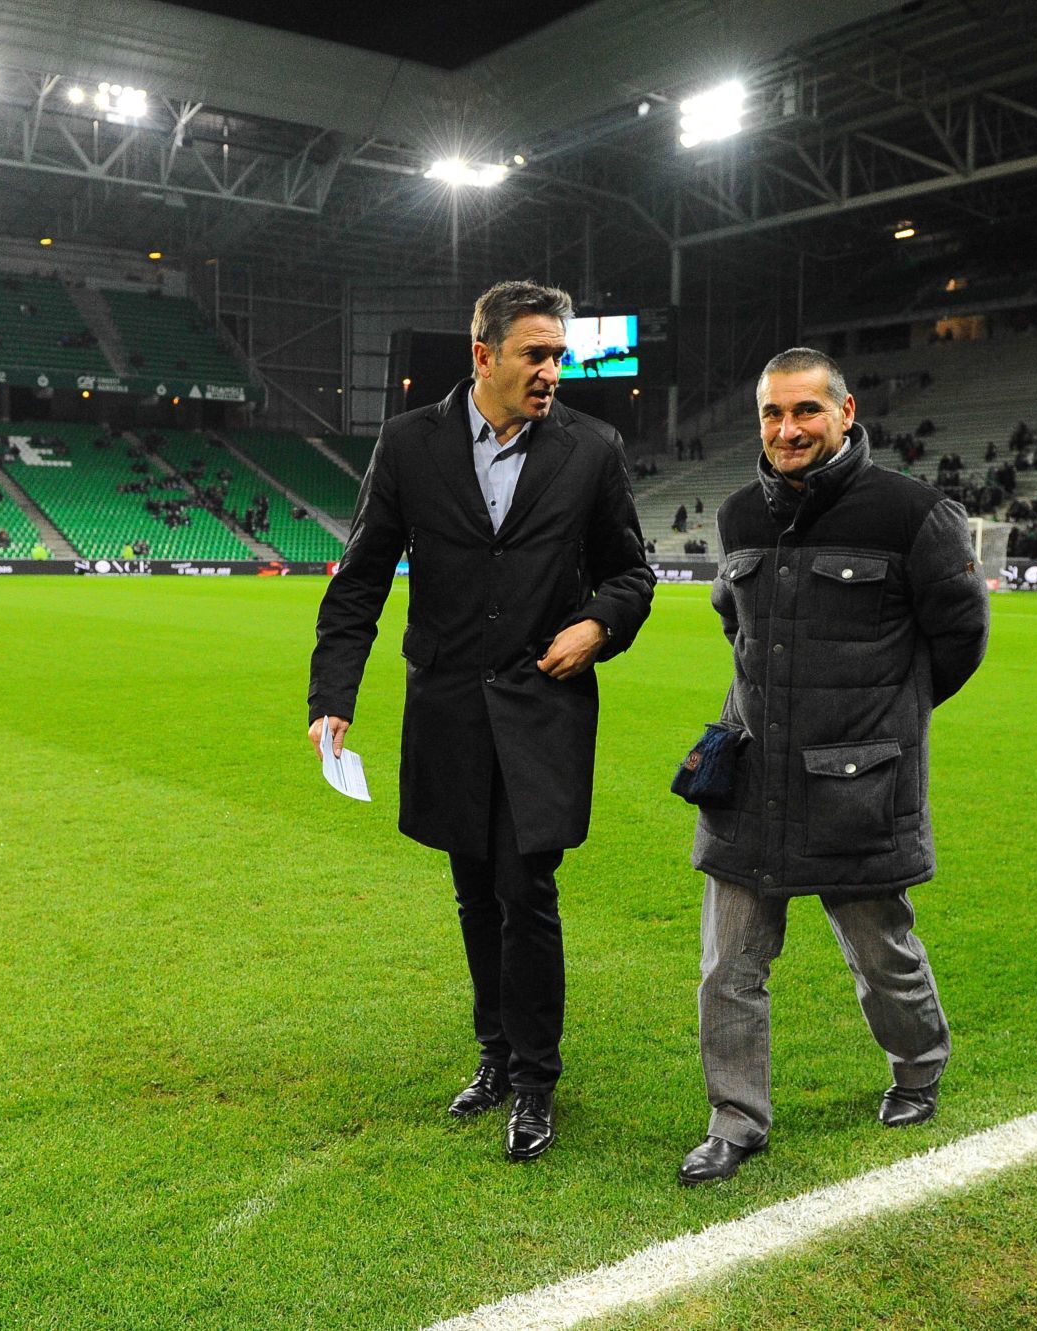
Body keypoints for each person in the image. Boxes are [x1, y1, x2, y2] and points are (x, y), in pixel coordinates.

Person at [307, 280, 655, 1163]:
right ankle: (495, 1053)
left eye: (558, 354)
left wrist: (599, 625)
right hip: (450, 707)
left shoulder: (593, 448)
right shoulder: (408, 444)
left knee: (525, 889)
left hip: (543, 707)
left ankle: (536, 1079)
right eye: (535, 353)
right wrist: (332, 699)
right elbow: (360, 579)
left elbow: (631, 573)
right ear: (483, 356)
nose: (552, 370)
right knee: (473, 890)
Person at [678, 347, 989, 1185]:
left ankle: (919, 1065)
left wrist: (881, 721)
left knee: (879, 950)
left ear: (846, 413)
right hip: (750, 774)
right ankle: (736, 1118)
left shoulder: (915, 514)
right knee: (729, 964)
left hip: (856, 783)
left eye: (806, 411)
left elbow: (960, 640)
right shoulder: (740, 514)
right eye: (774, 414)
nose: (788, 429)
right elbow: (734, 624)